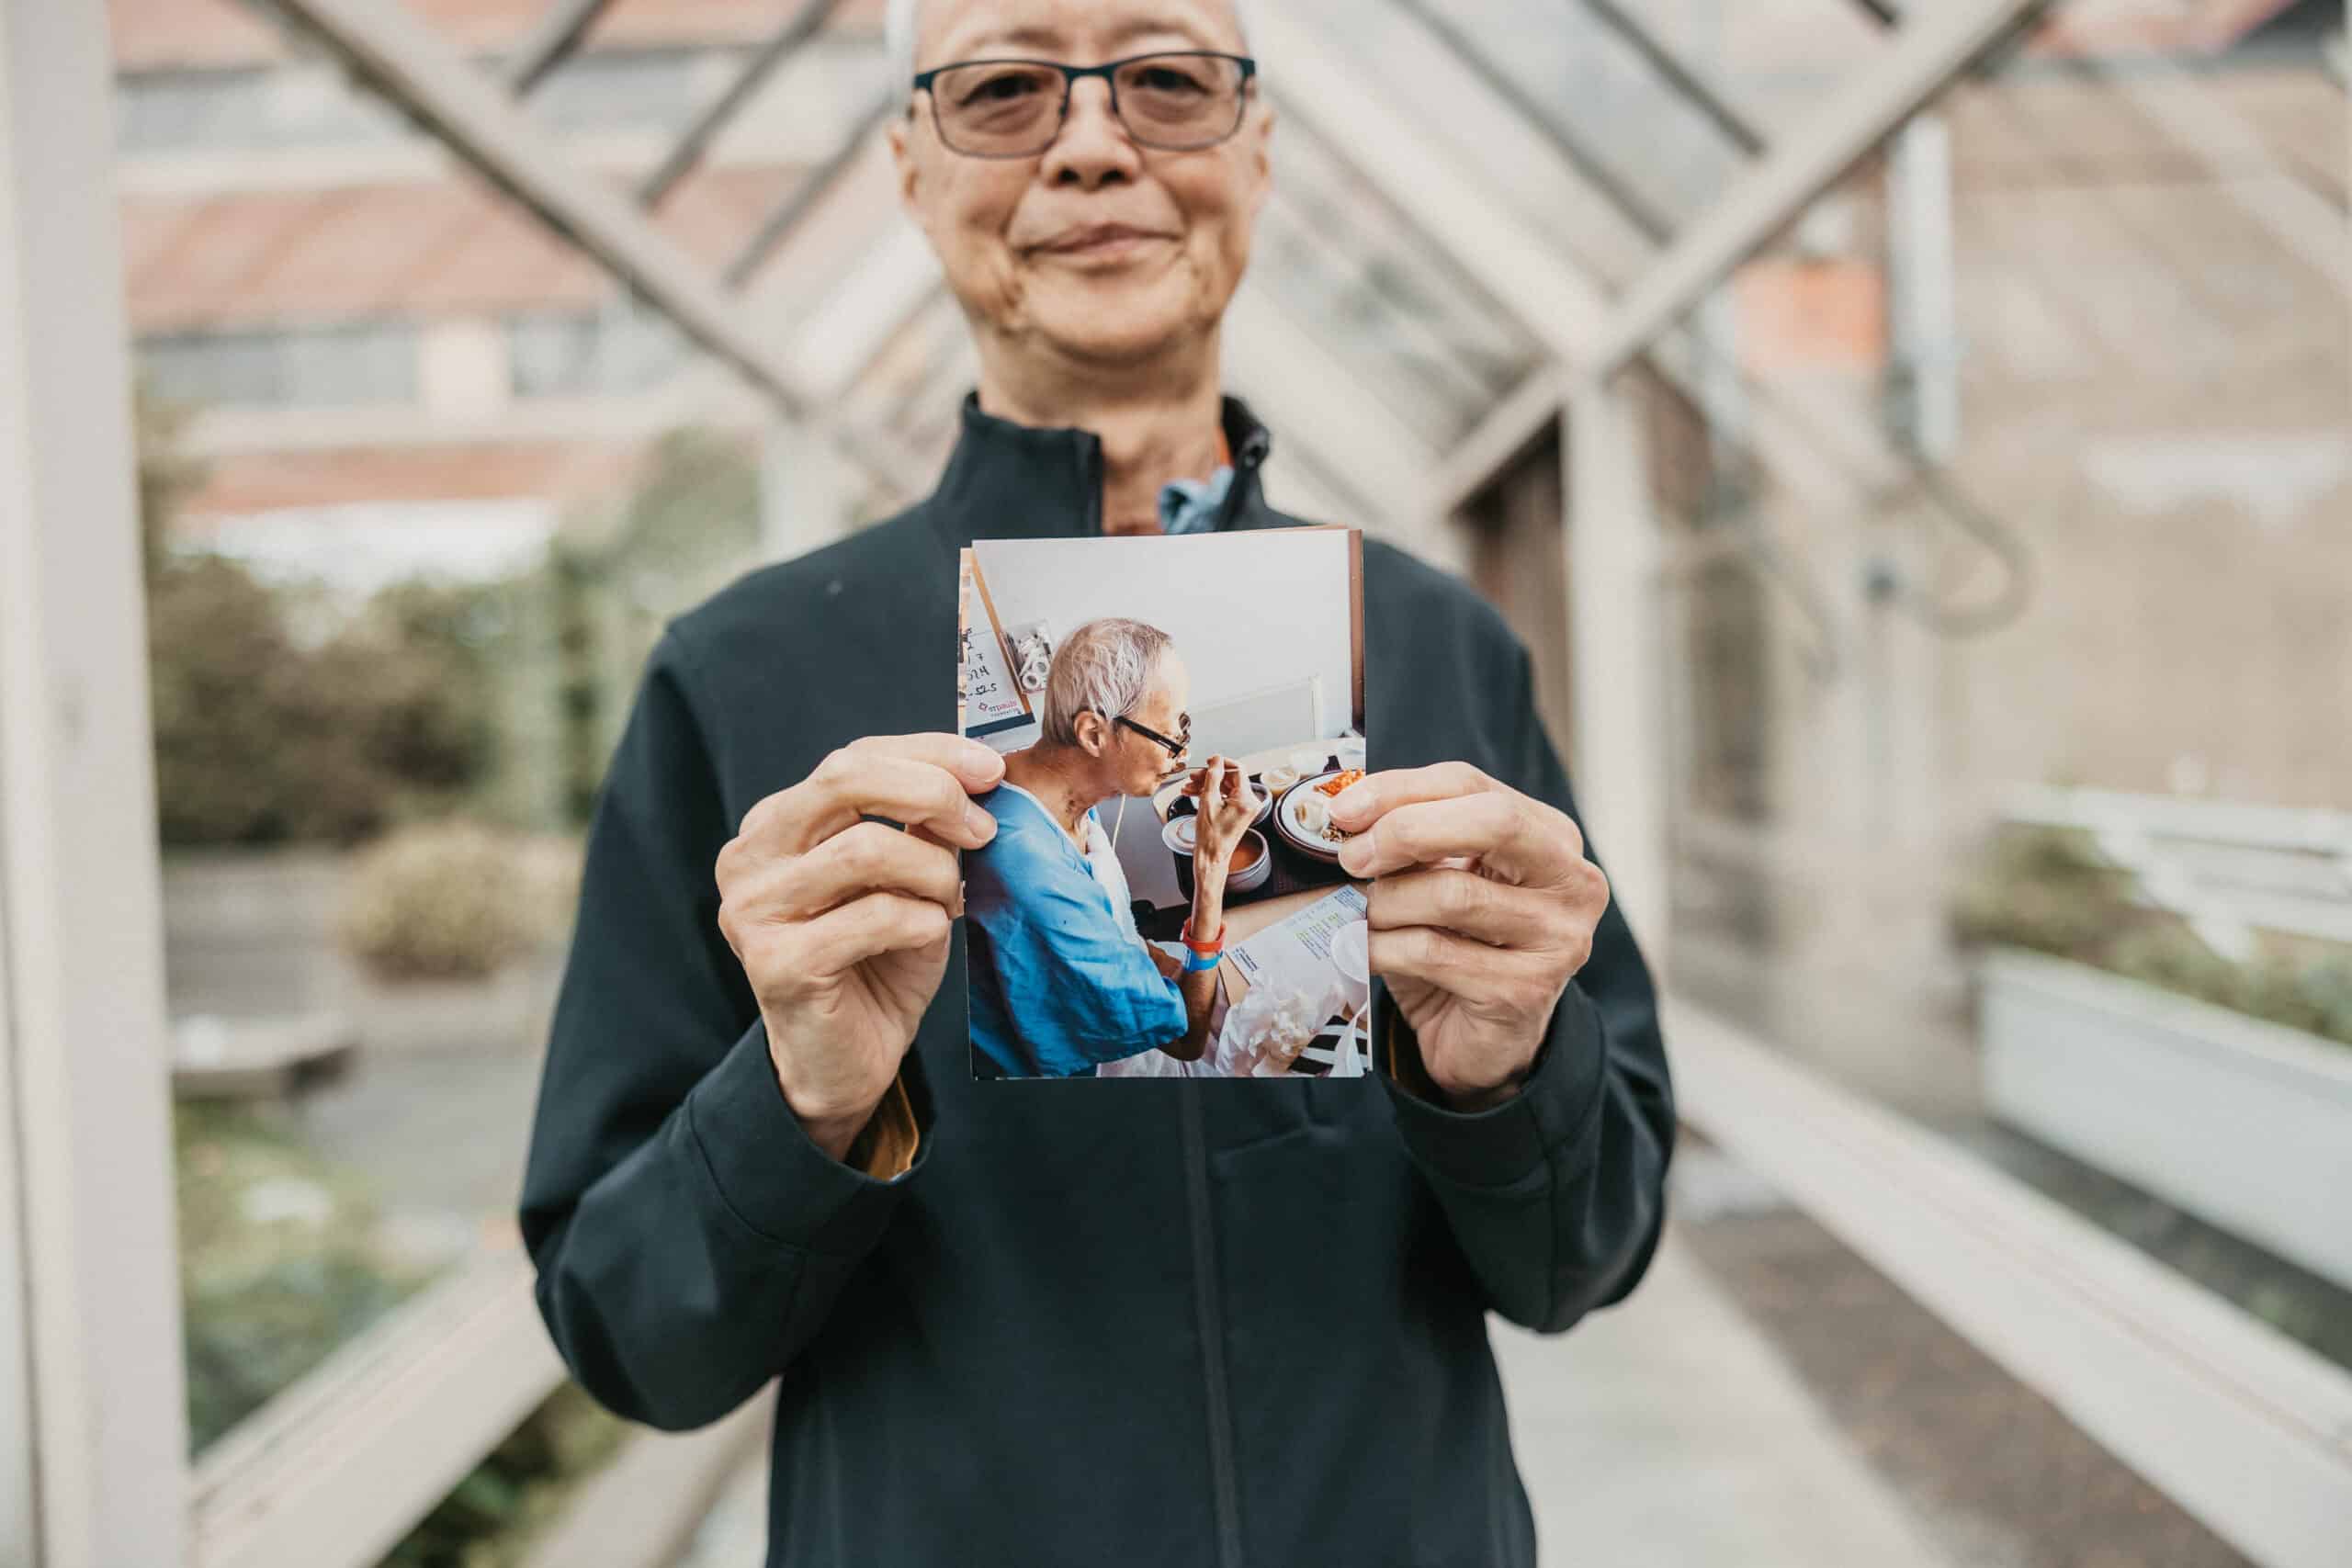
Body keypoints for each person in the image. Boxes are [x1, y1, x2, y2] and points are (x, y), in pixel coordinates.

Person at [518, 0, 1676, 1562]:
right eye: (1005, 88)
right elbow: (632, 1337)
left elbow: (1585, 1258)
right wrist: (801, 1101)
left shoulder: (1441, 646)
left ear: (1257, 151)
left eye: (1167, 80)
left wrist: (1507, 1074)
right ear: (911, 168)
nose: (1090, 142)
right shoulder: (741, 676)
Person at [962, 616, 1257, 1077]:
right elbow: (1186, 1040)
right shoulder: (1033, 874)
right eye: (1169, 736)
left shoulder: (1046, 781)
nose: (1181, 755)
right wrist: (1212, 864)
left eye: (1184, 727)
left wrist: (1163, 966)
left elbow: (1112, 929)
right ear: (1093, 734)